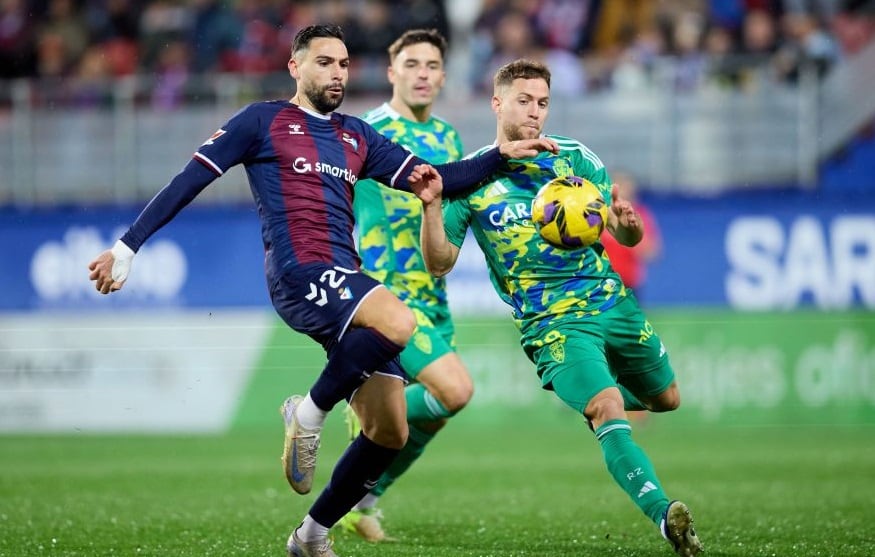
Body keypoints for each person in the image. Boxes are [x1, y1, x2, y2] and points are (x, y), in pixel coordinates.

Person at [86, 25, 557, 557]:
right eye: (325, 63)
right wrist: (127, 248)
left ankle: (311, 535)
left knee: (389, 432)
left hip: (345, 281)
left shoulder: (356, 135)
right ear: (295, 67)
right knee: (398, 321)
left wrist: (502, 153)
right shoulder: (260, 121)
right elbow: (190, 179)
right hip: (299, 272)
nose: (336, 74)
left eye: (344, 65)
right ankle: (308, 412)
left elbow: (437, 176)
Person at [416, 58, 705, 557]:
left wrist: (626, 222)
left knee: (667, 400)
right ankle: (664, 514)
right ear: (497, 102)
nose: (534, 112)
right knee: (608, 406)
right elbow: (439, 263)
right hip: (552, 323)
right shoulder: (471, 178)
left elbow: (626, 237)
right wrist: (431, 209)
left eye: (543, 103)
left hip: (611, 303)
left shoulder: (576, 160)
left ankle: (597, 403)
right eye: (524, 100)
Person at [338, 28, 472, 542]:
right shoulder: (365, 132)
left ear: (442, 75)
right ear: (392, 73)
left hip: (434, 295)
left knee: (434, 414)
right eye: (411, 64)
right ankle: (363, 421)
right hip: (386, 296)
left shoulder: (448, 137)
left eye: (432, 65)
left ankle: (362, 497)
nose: (422, 74)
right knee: (454, 391)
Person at [600, 170, 662, 302]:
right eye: (617, 186)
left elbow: (652, 252)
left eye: (625, 186)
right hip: (602, 281)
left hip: (629, 283)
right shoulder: (599, 214)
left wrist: (631, 236)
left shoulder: (640, 215)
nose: (621, 191)